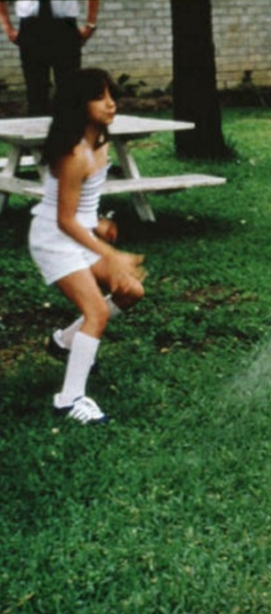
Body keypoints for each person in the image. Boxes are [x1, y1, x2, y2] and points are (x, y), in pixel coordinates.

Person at [28, 68, 145, 425]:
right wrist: (110, 253)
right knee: (98, 312)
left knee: (130, 291)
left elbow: (82, 208)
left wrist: (100, 224)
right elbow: (64, 219)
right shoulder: (73, 153)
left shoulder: (100, 143)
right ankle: (69, 400)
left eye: (112, 94)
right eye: (100, 96)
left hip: (80, 231)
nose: (111, 103)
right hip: (53, 238)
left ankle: (64, 342)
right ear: (79, 104)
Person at [0, 1, 100, 116]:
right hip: (31, 28)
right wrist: (7, 27)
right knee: (35, 90)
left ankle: (68, 131)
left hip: (64, 27)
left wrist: (90, 23)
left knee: (69, 88)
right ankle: (37, 130)